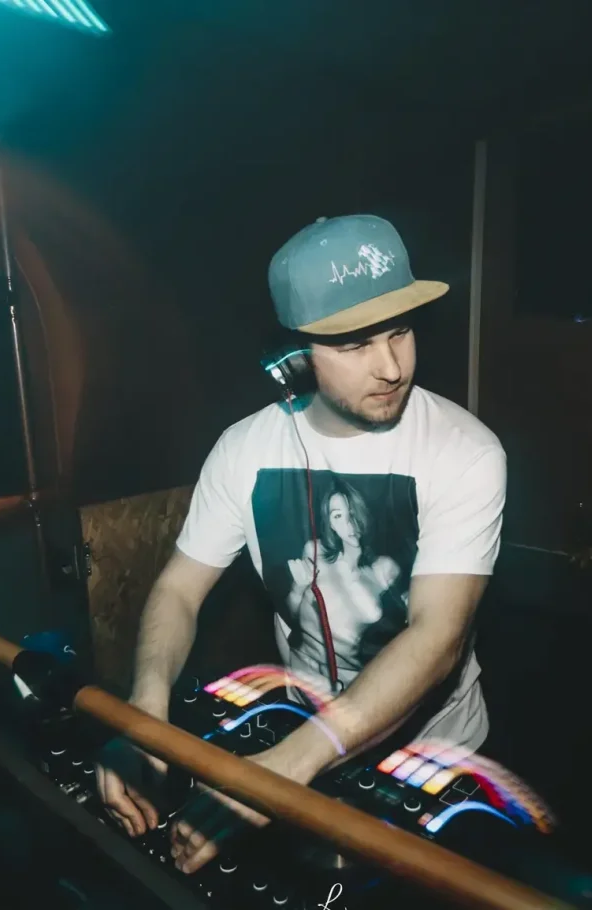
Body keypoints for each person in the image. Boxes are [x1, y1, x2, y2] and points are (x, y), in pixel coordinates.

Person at [96, 214, 507, 874]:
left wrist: (285, 770)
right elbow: (178, 589)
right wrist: (145, 715)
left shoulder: (466, 451)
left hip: (436, 760)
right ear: (294, 357)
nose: (391, 367)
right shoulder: (243, 450)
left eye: (400, 331)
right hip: (306, 739)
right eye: (354, 344)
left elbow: (438, 636)